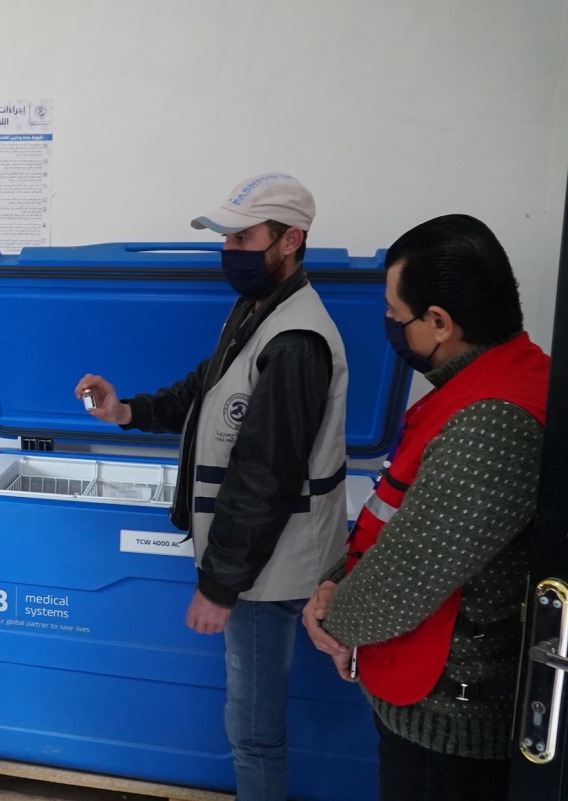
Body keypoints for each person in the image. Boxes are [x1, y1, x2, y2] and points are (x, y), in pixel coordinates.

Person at [77, 172, 348, 801]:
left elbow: (264, 476)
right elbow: (206, 390)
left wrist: (221, 585)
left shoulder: (297, 340)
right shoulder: (259, 310)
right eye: (226, 238)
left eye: (243, 237)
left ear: (291, 240)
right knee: (253, 724)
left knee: (252, 732)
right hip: (255, 561)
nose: (230, 251)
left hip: (266, 569)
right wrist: (128, 412)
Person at [303, 214, 549, 801]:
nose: (388, 322)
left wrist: (330, 618)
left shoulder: (493, 420)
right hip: (424, 700)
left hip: (453, 730)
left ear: (439, 323)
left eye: (395, 313)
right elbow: (395, 519)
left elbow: (405, 578)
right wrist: (336, 579)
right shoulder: (479, 385)